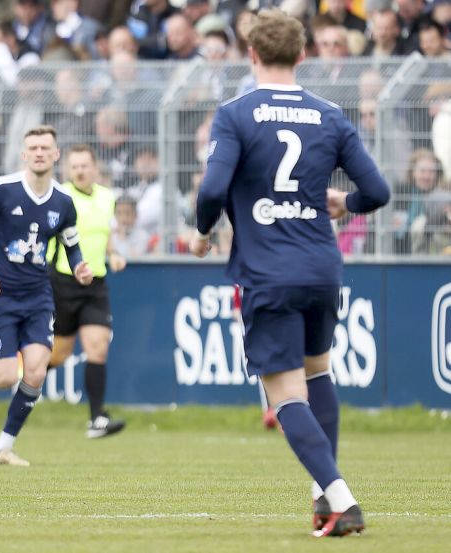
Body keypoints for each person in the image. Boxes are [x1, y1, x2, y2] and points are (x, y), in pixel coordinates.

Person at [191, 9, 390, 537]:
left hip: (268, 269)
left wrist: (204, 231)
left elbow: (212, 190)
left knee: (284, 395)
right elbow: (378, 192)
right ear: (303, 56)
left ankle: (342, 499)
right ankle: (323, 499)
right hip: (321, 267)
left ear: (251, 54)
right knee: (318, 371)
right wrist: (343, 201)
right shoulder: (329, 114)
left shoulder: (235, 113)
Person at [0, 125, 93, 467]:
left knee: (35, 373)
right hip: (0, 295)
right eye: (33, 147)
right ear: (23, 154)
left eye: (46, 147)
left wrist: (78, 267)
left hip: (37, 298)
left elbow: (71, 245)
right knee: (4, 379)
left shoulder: (64, 202)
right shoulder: (2, 190)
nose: (39, 153)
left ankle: (3, 447)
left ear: (56, 154)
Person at [46, 144, 127, 439]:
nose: (80, 170)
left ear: (95, 168)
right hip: (63, 282)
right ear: (68, 170)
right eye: (75, 166)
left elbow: (105, 234)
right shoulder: (60, 197)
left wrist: (114, 254)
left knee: (98, 346)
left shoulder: (107, 197)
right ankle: (18, 376)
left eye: (85, 165)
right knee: (59, 354)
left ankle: (96, 419)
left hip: (95, 284)